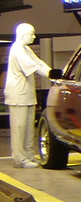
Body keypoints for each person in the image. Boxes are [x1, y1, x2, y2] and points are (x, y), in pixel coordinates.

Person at [4, 23, 51, 168]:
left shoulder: (26, 49)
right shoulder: (17, 49)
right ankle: (20, 158)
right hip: (18, 95)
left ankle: (29, 155)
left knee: (29, 127)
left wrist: (53, 73)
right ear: (23, 35)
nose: (34, 36)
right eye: (32, 34)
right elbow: (34, 66)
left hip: (27, 95)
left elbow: (39, 62)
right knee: (19, 127)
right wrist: (50, 75)